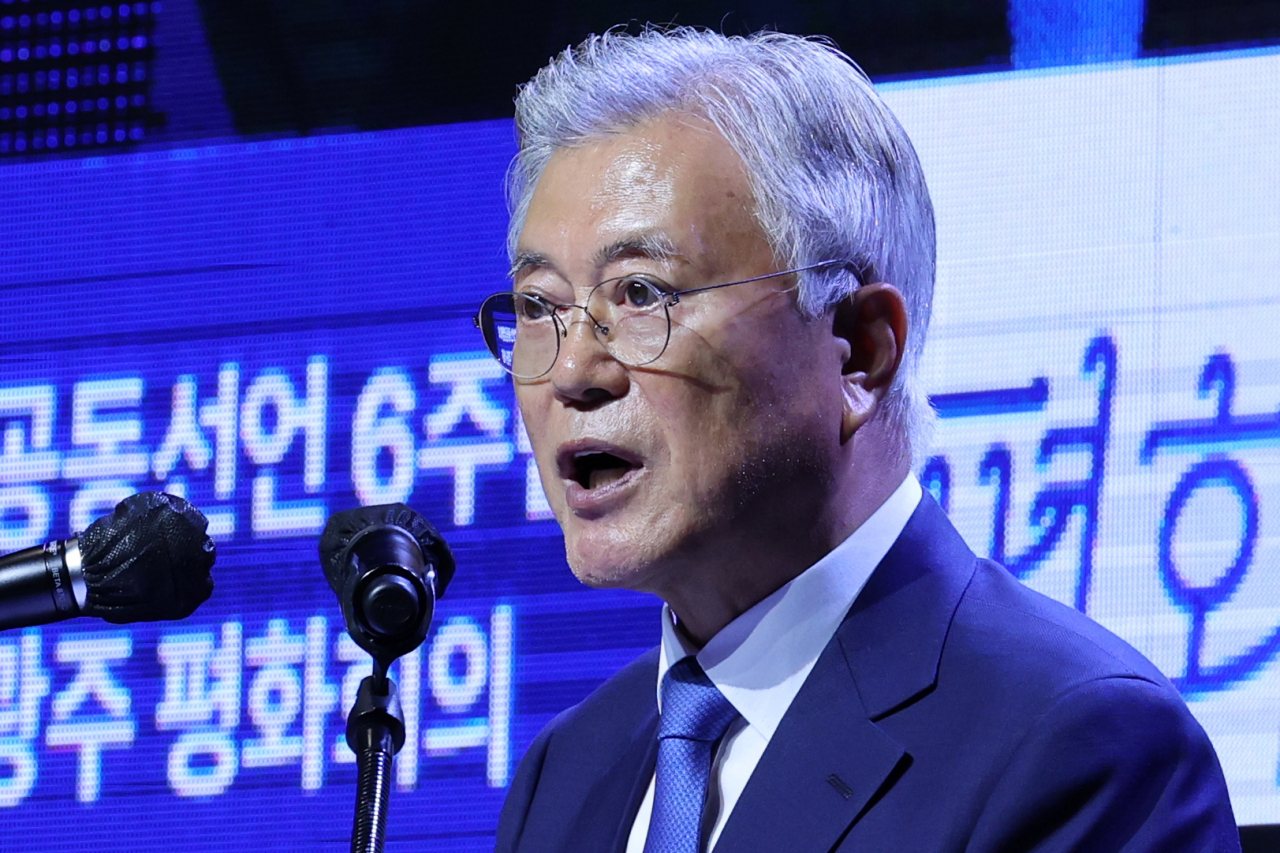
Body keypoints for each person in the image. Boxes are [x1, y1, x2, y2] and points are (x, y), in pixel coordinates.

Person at [478, 26, 1241, 853]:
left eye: (641, 293)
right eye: (539, 307)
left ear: (860, 350)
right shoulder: (566, 773)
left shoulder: (1079, 746)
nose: (572, 372)